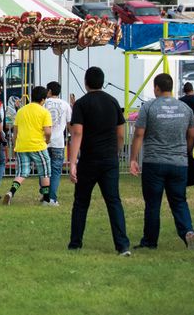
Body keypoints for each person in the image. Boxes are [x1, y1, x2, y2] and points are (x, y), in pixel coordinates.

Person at [130, 72, 194, 250]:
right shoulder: (185, 109)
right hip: (179, 163)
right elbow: (191, 135)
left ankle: (150, 241)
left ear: (156, 88)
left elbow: (139, 134)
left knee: (153, 204)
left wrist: (133, 158)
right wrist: (185, 151)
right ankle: (188, 232)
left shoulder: (149, 107)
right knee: (179, 201)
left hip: (154, 162)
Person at [67, 66, 131, 255]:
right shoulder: (113, 102)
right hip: (109, 160)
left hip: (89, 159)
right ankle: (122, 245)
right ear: (102, 82)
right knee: (113, 202)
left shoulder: (81, 104)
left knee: (81, 202)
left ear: (86, 82)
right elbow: (121, 134)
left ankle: (75, 243)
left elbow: (77, 132)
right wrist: (116, 152)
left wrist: (72, 162)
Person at [2, 86, 53, 205]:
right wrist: (47, 140)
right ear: (43, 99)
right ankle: (46, 199)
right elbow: (48, 131)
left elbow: (15, 132)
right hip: (38, 146)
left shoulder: (21, 111)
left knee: (22, 172)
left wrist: (14, 147)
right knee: (45, 172)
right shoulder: (44, 112)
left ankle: (11, 192)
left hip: (21, 146)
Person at [44, 81, 73, 206]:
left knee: (45, 170)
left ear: (49, 91)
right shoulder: (65, 105)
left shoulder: (43, 104)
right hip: (59, 142)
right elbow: (69, 124)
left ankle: (45, 196)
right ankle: (52, 198)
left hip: (44, 142)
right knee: (56, 171)